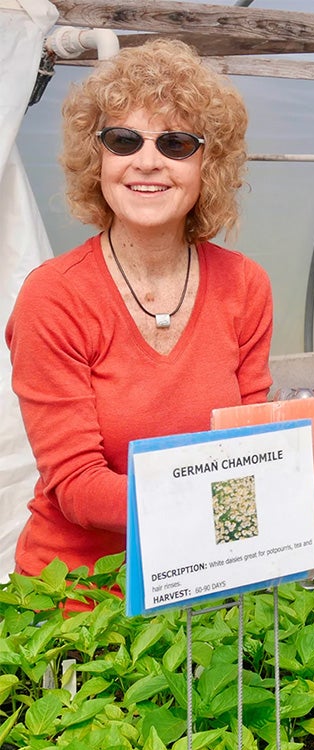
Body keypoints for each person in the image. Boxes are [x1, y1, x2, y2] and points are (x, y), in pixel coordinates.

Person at [5, 39, 273, 583]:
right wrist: (212, 503)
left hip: (203, 580)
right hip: (82, 596)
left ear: (208, 166)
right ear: (97, 158)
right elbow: (78, 485)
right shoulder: (54, 298)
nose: (147, 161)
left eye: (176, 144)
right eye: (124, 140)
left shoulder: (244, 285)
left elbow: (250, 445)